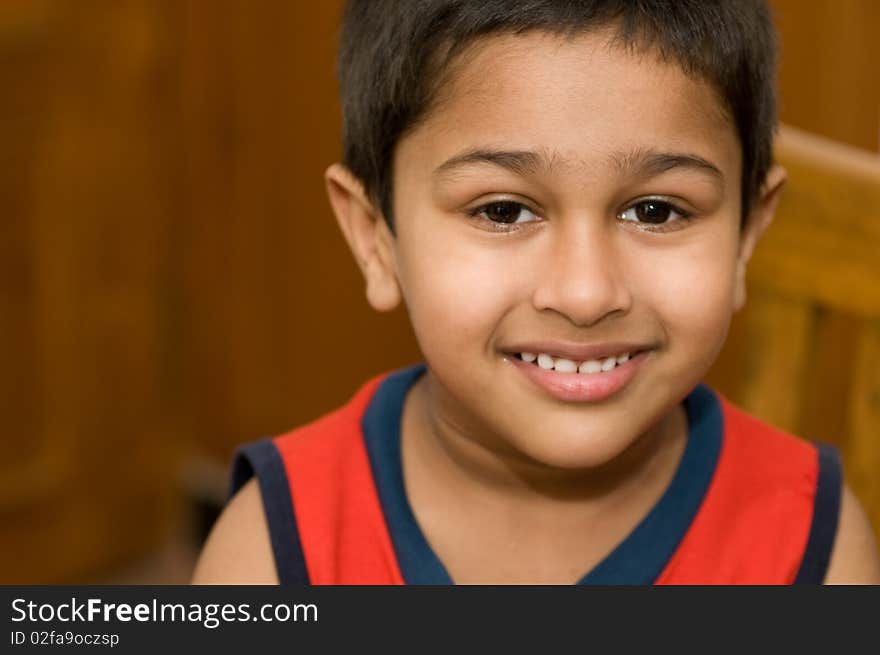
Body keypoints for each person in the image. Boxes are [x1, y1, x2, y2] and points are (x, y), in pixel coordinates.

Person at [192, 0, 880, 584]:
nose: (584, 294)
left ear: (746, 238)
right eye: (502, 210)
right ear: (375, 236)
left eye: (656, 211)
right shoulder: (279, 553)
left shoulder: (814, 556)